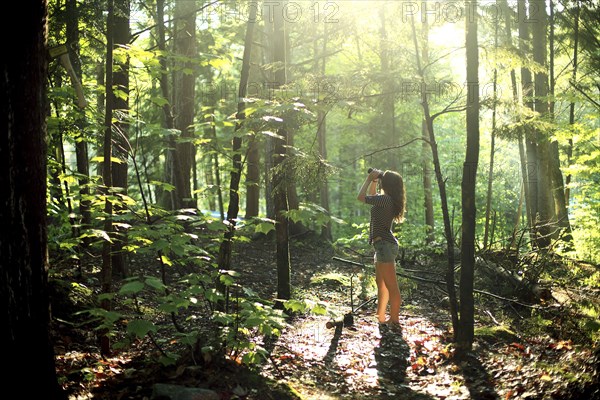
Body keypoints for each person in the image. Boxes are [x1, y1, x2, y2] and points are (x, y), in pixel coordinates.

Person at [357, 168, 406, 327]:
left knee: (391, 285)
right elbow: (372, 195)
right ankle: (381, 317)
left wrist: (368, 179)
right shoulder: (386, 199)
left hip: (385, 246)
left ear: (388, 184)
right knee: (381, 283)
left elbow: (361, 197)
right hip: (381, 246)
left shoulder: (386, 200)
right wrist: (374, 180)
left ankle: (395, 320)